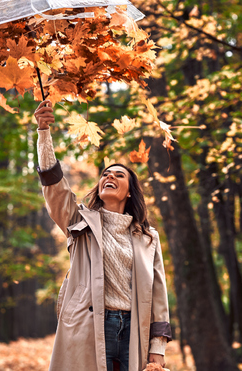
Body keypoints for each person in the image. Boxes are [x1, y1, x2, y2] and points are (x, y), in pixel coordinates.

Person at [34, 100, 172, 371]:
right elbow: (55, 189)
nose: (110, 176)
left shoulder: (147, 237)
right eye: (106, 174)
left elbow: (158, 294)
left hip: (134, 328)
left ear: (130, 191)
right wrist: (43, 133)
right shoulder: (79, 222)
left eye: (119, 175)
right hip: (89, 324)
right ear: (99, 187)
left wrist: (158, 348)